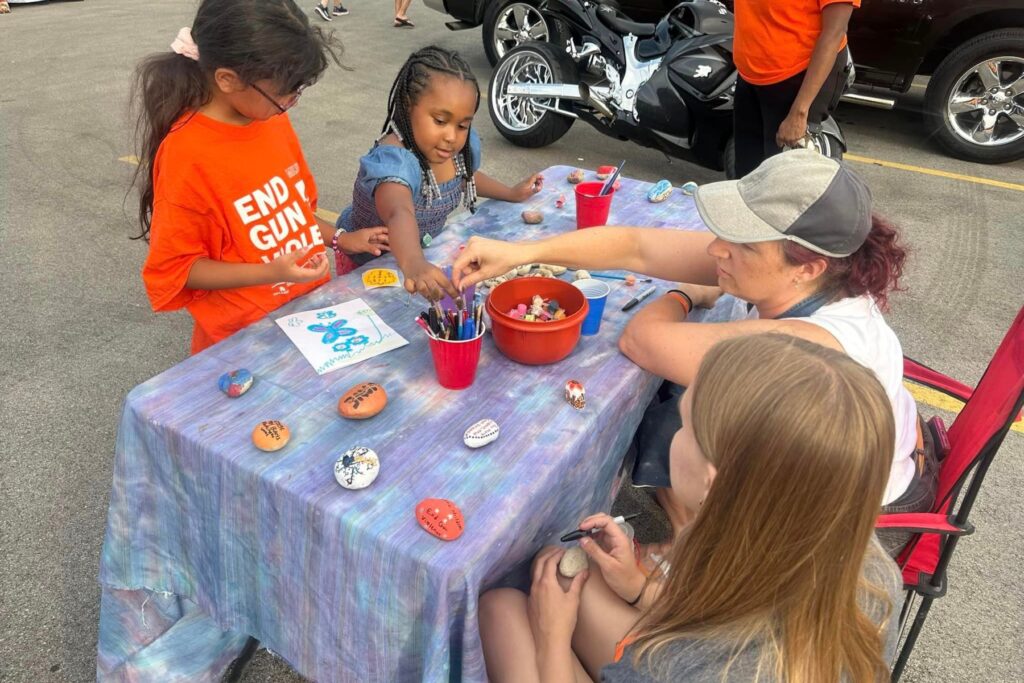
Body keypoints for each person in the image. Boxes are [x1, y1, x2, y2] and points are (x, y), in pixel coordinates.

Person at [454, 150, 935, 555]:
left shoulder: (805, 352)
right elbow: (637, 245)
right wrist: (519, 253)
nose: (718, 249)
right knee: (679, 415)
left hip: (849, 533)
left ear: (807, 268)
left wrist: (682, 295)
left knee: (673, 424)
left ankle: (677, 558)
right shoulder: (820, 276)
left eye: (742, 242)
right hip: (858, 466)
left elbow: (640, 340)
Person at [479, 333, 904, 682]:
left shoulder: (687, 668)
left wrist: (554, 637)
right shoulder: (870, 569)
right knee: (563, 582)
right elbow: (722, 611)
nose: (675, 435)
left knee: (501, 610)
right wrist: (639, 588)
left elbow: (691, 653)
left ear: (712, 480)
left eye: (683, 424)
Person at [135, 0, 387, 355]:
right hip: (243, 340)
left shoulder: (270, 119)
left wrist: (340, 238)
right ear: (227, 79)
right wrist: (271, 272)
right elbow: (181, 269)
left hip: (308, 319)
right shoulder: (187, 154)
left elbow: (290, 215)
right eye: (285, 92)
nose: (292, 102)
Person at [335, 45, 544, 300]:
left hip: (420, 263)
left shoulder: (456, 152)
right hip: (367, 268)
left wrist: (510, 193)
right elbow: (399, 211)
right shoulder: (393, 161)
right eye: (440, 121)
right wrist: (413, 262)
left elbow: (464, 177)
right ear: (407, 104)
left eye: (462, 125)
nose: (451, 137)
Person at [731, 0, 858, 177]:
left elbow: (834, 33)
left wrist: (799, 112)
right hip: (751, 74)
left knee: (778, 180)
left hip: (797, 76)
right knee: (745, 174)